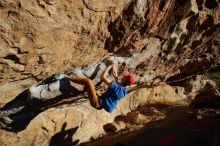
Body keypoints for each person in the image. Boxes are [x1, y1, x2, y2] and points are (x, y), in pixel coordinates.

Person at [63, 59, 135, 113]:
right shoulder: (124, 90)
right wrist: (113, 66)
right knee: (89, 86)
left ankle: (66, 77)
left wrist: (109, 66)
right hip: (100, 103)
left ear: (125, 80)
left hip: (96, 102)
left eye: (125, 76)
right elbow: (115, 78)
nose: (124, 75)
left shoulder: (117, 87)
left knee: (88, 81)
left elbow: (102, 77)